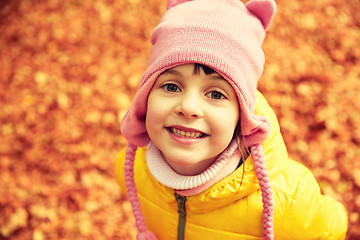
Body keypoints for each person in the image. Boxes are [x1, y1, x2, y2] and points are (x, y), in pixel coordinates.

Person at [115, 0, 348, 239]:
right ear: (145, 98)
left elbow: (332, 228)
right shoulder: (132, 169)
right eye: (172, 86)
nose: (188, 107)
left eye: (216, 94)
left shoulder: (292, 201)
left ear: (242, 115)